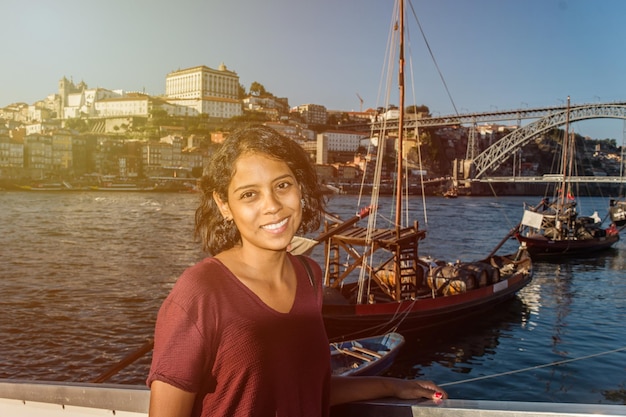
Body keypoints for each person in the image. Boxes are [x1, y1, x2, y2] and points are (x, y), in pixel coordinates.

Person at [147, 125, 448, 417]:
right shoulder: (201, 291)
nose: (273, 206)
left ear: (300, 187)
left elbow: (306, 391)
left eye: (282, 185)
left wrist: (391, 386)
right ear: (224, 205)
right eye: (250, 194)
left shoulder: (309, 276)